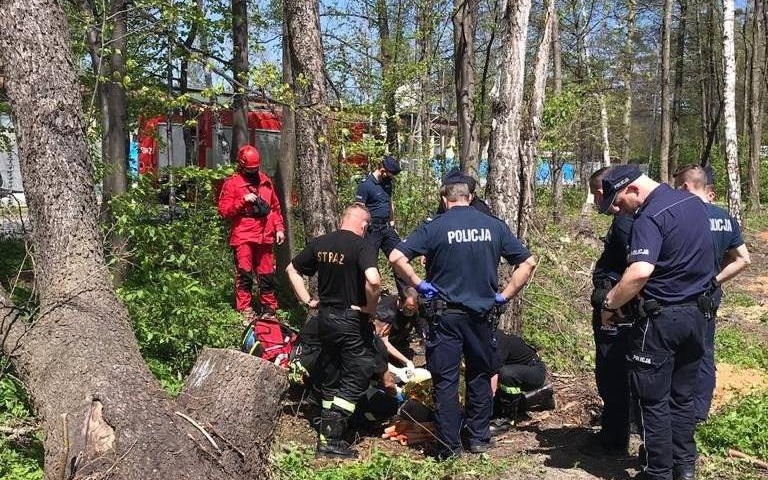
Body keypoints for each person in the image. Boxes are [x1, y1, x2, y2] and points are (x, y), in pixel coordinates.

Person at [388, 177, 537, 458]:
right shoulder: (493, 225)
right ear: (470, 197)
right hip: (482, 315)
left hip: (445, 317)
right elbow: (527, 262)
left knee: (445, 380)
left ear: (446, 199)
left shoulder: (435, 226)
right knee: (480, 375)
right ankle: (479, 438)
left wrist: (419, 285)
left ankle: (449, 446)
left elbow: (396, 256)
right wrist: (504, 296)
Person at [598, 165, 715, 480]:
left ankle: (657, 471)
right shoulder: (694, 204)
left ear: (633, 189)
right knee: (682, 397)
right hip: (697, 316)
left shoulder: (649, 216)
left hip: (661, 320)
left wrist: (610, 304)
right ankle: (684, 467)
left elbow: (639, 271)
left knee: (653, 400)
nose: (618, 210)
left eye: (620, 202)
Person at [285, 203, 382, 458]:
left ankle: (326, 428)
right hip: (350, 319)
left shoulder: (321, 243)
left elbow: (291, 269)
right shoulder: (362, 246)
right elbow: (374, 280)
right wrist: (369, 309)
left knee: (331, 371)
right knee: (358, 372)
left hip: (324, 318)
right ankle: (331, 437)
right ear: (363, 225)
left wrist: (307, 300)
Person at [673, 164, 751, 423]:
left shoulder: (679, 216)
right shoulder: (725, 218)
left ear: (685, 186)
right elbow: (743, 259)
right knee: (704, 350)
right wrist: (714, 281)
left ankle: (678, 411)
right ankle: (699, 412)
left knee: (675, 351)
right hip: (709, 294)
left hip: (680, 295)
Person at [585, 166, 635, 456]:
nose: (595, 201)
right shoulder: (628, 219)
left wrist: (611, 304)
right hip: (618, 304)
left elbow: (635, 267)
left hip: (616, 309)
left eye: (595, 194)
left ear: (604, 190)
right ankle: (619, 429)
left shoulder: (625, 223)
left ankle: (614, 438)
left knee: (612, 370)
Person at [218, 145, 285, 323]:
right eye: (250, 169)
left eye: (255, 168)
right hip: (243, 234)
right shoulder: (232, 184)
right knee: (244, 272)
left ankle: (269, 307)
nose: (253, 171)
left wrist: (279, 228)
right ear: (242, 166)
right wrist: (242, 201)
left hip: (266, 233)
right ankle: (245, 308)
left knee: (267, 273)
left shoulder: (265, 181)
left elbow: (275, 208)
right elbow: (224, 211)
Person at [355, 155, 406, 292]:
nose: (392, 177)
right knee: (369, 265)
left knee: (400, 258)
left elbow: (389, 202)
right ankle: (369, 298)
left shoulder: (387, 181)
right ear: (382, 170)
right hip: (372, 230)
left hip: (387, 228)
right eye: (390, 174)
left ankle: (406, 297)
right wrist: (360, 231)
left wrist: (392, 223)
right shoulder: (365, 185)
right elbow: (359, 209)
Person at [490, 331, 554, 431]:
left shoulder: (498, 341)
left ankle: (507, 419)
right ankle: (534, 399)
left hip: (534, 371)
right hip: (518, 371)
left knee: (506, 374)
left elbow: (493, 377)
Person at [374, 287, 426, 369]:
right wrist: (406, 361)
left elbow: (420, 324)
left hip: (400, 340)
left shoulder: (414, 307)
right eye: (409, 309)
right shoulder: (386, 312)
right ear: (400, 300)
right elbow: (382, 342)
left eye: (414, 310)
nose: (411, 313)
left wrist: (424, 337)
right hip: (381, 345)